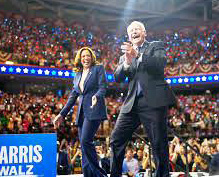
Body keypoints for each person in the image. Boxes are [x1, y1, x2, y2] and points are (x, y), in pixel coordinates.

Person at [110, 21, 176, 177]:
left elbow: (159, 64)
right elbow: (117, 77)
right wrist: (126, 61)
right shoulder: (125, 55)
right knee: (116, 139)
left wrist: (137, 55)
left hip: (153, 102)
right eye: (131, 31)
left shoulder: (155, 46)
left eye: (137, 29)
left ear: (144, 32)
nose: (133, 32)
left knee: (158, 143)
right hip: (131, 104)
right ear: (128, 36)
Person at [53, 47, 108, 177]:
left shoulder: (98, 69)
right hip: (82, 114)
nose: (85, 58)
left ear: (92, 57)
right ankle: (88, 174)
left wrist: (97, 96)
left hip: (94, 110)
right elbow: (72, 97)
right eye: (83, 56)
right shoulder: (77, 75)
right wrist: (61, 114)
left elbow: (103, 87)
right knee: (83, 147)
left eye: (88, 56)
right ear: (80, 58)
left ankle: (100, 175)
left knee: (85, 141)